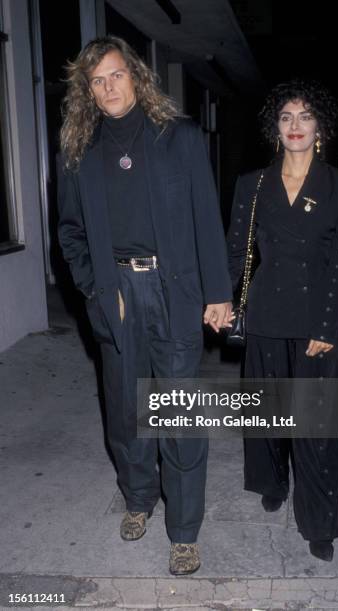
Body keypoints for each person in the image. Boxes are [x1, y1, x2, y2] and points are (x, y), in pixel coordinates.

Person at [57, 35, 233, 575]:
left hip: (173, 291)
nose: (109, 87)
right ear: (88, 91)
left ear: (135, 76)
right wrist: (96, 289)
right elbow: (69, 233)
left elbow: (206, 217)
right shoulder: (78, 152)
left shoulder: (178, 137)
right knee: (128, 411)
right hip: (118, 295)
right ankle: (138, 499)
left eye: (116, 75)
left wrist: (219, 292)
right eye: (98, 80)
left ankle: (184, 531)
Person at [227, 79, 338, 562]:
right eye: (286, 117)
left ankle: (320, 521)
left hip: (311, 322)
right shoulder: (253, 184)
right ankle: (271, 483)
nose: (295, 126)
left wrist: (327, 328)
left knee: (315, 428)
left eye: (305, 116)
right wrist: (220, 299)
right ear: (274, 128)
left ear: (319, 125)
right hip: (264, 314)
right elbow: (234, 250)